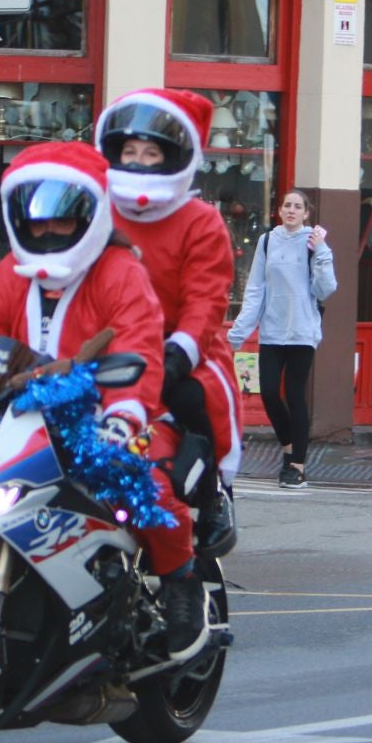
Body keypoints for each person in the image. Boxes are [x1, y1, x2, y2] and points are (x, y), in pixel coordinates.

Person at [0, 141, 208, 660]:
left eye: (63, 219)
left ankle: (180, 582)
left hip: (115, 416)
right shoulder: (9, 275)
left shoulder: (120, 272)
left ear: (90, 214)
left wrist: (123, 413)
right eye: (37, 221)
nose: (50, 230)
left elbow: (139, 349)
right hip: (20, 421)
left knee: (146, 485)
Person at [94, 88, 242, 543]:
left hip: (180, 347)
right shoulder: (99, 211)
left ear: (171, 157)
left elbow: (207, 300)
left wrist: (177, 355)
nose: (138, 161)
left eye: (151, 152)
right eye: (130, 151)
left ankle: (216, 493)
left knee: (197, 397)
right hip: (104, 345)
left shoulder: (200, 221)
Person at [228, 189, 337, 488]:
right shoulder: (266, 241)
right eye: (287, 205)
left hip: (302, 330)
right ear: (280, 210)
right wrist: (237, 334)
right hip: (273, 330)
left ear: (306, 213)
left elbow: (325, 290)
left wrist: (323, 252)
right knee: (269, 394)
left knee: (295, 394)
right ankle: (289, 448)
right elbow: (255, 292)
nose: (291, 210)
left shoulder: (313, 243)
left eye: (297, 206)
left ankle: (297, 466)